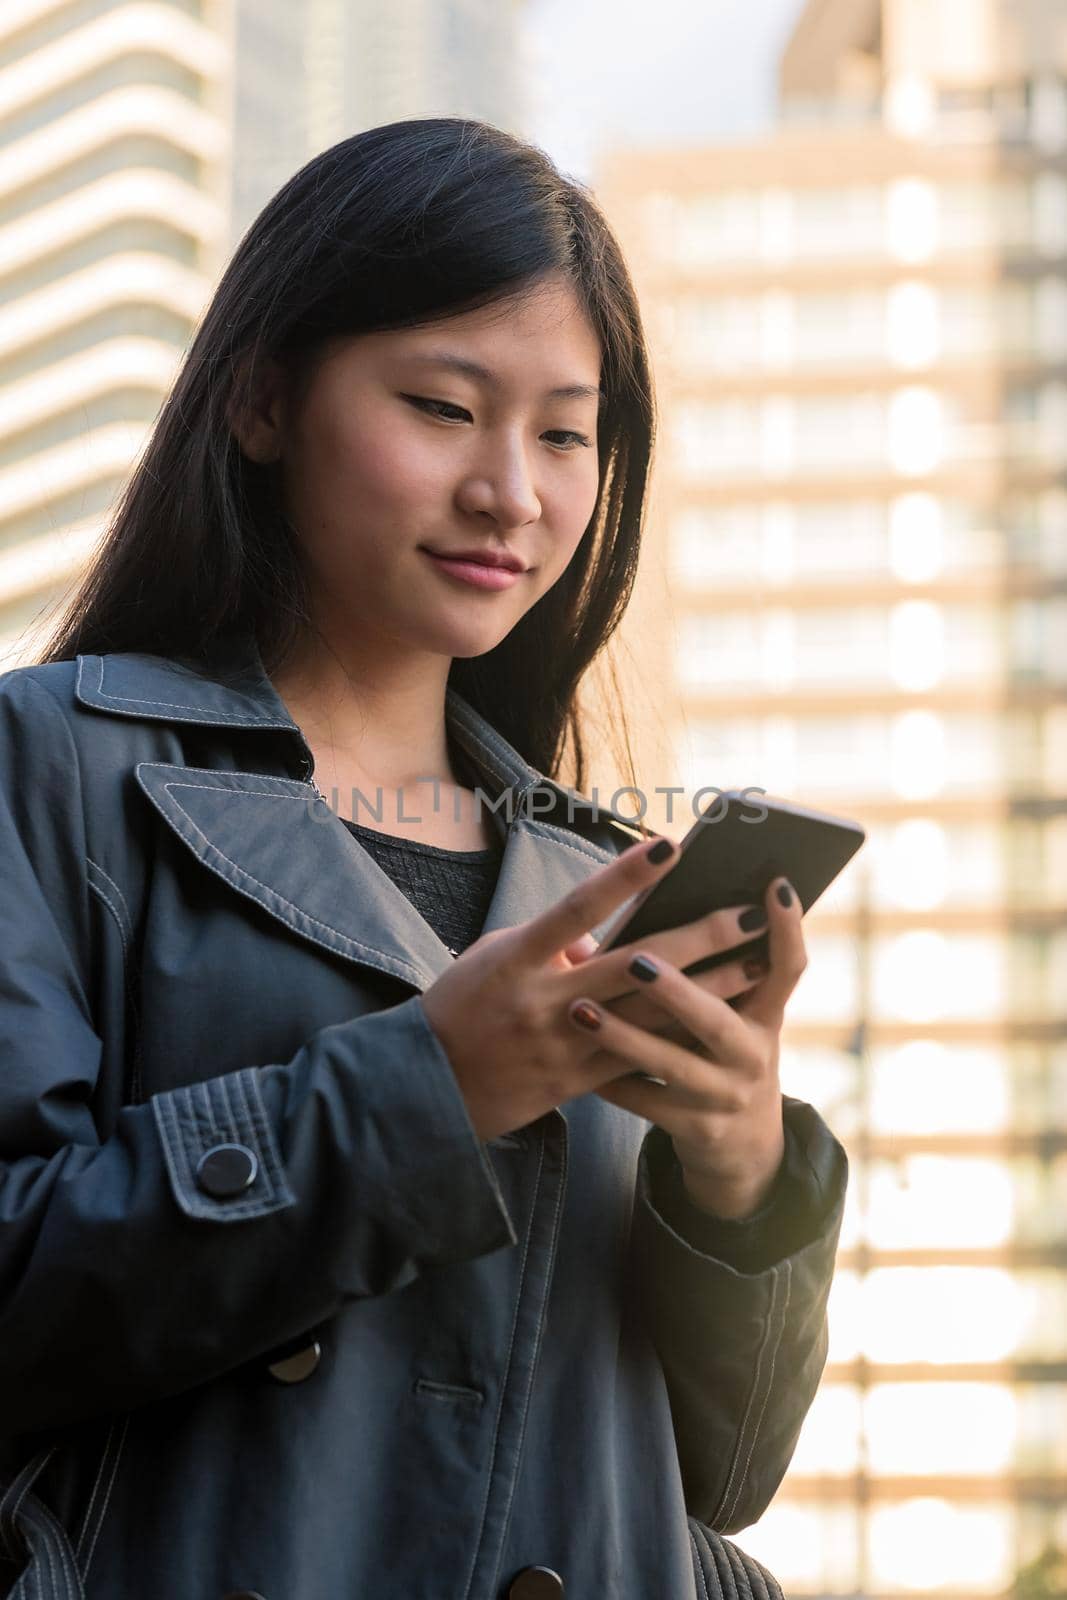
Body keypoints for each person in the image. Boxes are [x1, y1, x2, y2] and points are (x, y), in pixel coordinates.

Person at [0, 118, 846, 1600]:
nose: (513, 492)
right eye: (444, 407)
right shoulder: (52, 767)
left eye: (568, 433)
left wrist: (737, 1170)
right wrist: (430, 1091)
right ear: (263, 402)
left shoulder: (606, 876)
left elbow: (727, 1471)